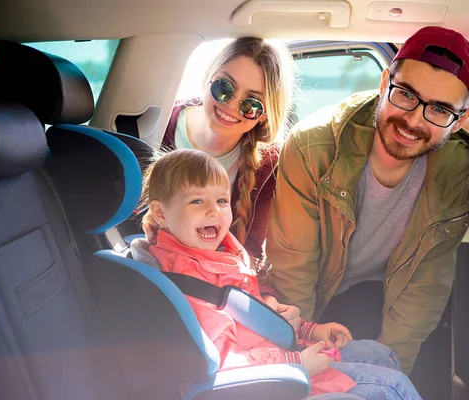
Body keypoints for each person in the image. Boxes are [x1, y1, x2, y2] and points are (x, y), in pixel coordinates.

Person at [264, 26, 469, 375]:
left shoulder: (459, 167)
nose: (412, 121)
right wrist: (299, 364)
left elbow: (425, 285)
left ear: (460, 121)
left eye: (440, 110)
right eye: (406, 95)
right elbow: (294, 268)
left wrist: (391, 371)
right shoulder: (312, 146)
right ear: (384, 84)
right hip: (314, 295)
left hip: (379, 293)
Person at [141, 149, 422, 399]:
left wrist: (308, 330)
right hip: (267, 381)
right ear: (161, 214)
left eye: (222, 200)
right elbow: (224, 359)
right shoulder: (188, 278)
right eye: (197, 202)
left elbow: (249, 322)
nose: (214, 211)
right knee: (390, 388)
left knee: (381, 354)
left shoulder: (217, 256)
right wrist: (295, 362)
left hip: (277, 360)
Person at [142, 36, 295, 261]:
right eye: (224, 87)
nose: (231, 106)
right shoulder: (161, 121)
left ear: (264, 116)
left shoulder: (269, 166)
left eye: (251, 103)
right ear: (209, 79)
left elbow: (251, 251)